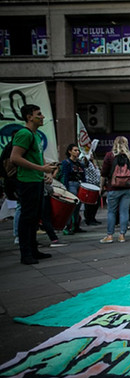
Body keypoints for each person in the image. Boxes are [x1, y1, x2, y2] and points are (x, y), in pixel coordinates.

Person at [10, 104, 58, 264]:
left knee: (35, 217)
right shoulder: (24, 134)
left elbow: (39, 155)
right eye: (39, 114)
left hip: (37, 180)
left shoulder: (36, 135)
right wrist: (41, 168)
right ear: (29, 117)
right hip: (27, 181)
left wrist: (46, 172)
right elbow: (15, 157)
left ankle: (33, 249)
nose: (42, 116)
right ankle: (26, 253)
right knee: (27, 217)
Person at [99, 136, 130, 244]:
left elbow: (103, 173)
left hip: (113, 187)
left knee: (111, 212)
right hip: (128, 188)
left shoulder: (109, 156)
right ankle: (122, 235)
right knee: (124, 211)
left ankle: (110, 236)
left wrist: (101, 187)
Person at [60, 144, 86, 235]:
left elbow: (83, 176)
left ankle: (76, 226)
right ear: (69, 151)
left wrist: (85, 186)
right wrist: (65, 188)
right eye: (75, 150)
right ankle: (67, 226)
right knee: (71, 206)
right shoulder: (66, 163)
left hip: (79, 185)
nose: (77, 152)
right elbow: (65, 176)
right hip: (71, 184)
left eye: (78, 150)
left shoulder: (80, 163)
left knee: (77, 206)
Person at [81, 152, 101, 226]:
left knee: (96, 203)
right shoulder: (86, 162)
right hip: (89, 185)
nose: (92, 156)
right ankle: (88, 219)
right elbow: (83, 162)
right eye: (90, 154)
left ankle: (93, 218)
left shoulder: (93, 163)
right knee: (89, 204)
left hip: (96, 185)